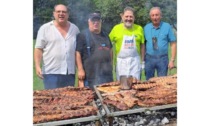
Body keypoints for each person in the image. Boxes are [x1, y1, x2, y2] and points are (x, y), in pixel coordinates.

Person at [34, 4, 80, 89]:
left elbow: (77, 52)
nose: (61, 14)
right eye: (58, 11)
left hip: (69, 73)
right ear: (54, 14)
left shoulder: (75, 29)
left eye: (64, 12)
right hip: (51, 72)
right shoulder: (45, 28)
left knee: (70, 99)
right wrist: (37, 66)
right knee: (52, 99)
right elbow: (38, 48)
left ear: (68, 14)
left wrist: (80, 69)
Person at [76, 11, 113, 90]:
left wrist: (111, 64)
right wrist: (80, 70)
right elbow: (77, 53)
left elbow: (110, 50)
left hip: (106, 74)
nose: (95, 23)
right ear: (89, 21)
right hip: (90, 75)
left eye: (98, 20)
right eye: (93, 20)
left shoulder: (106, 35)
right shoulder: (82, 35)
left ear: (100, 22)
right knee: (90, 98)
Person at [109, 7, 145, 80]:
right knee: (122, 86)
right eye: (126, 16)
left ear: (134, 17)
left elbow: (142, 45)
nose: (128, 19)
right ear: (122, 17)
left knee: (135, 85)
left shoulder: (139, 29)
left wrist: (143, 61)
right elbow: (108, 45)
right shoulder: (116, 29)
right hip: (121, 63)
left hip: (135, 62)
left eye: (131, 16)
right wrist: (110, 62)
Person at [144, 7, 177, 80]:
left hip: (162, 59)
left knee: (162, 82)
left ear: (161, 16)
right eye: (152, 15)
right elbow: (143, 44)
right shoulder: (146, 28)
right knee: (148, 82)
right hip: (149, 58)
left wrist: (172, 60)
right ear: (150, 17)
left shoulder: (167, 26)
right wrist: (143, 60)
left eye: (157, 15)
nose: (155, 17)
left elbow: (173, 43)